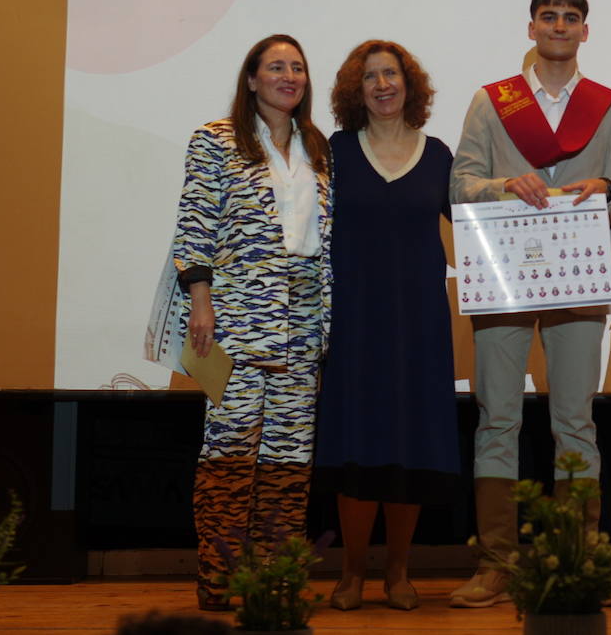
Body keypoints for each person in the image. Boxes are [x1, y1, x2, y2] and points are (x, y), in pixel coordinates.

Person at [448, 0, 611, 609]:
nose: (559, 25)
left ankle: (574, 562)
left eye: (570, 17)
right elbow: (461, 184)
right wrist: (503, 184)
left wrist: (602, 186)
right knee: (498, 417)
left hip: (577, 275)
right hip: (503, 274)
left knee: (574, 421)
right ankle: (497, 563)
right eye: (548, 16)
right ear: (531, 28)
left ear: (585, 31)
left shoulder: (610, 107)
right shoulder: (491, 101)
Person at [172, 34, 332, 611]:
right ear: (251, 78)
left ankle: (274, 582)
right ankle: (220, 583)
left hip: (305, 323)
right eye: (275, 67)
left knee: (288, 463)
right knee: (229, 460)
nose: (288, 76)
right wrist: (201, 301)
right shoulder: (215, 141)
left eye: (297, 68)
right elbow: (194, 225)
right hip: (235, 322)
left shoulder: (318, 145)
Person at [313, 40, 459, 612]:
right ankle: (351, 573)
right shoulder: (335, 152)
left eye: (391, 74)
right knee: (357, 445)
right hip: (355, 321)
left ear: (409, 84)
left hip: (420, 324)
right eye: (370, 77)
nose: (382, 85)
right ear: (356, 89)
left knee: (411, 446)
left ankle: (398, 571)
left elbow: (478, 221)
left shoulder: (441, 153)